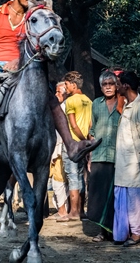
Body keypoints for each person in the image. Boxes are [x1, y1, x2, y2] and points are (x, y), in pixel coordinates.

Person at [0, 0, 100, 167]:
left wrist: (18, 60)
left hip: (25, 65)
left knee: (51, 98)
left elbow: (38, 44)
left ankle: (71, 145)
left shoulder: (35, 16)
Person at [87, 71, 121, 241]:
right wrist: (90, 155)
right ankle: (101, 231)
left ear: (117, 86)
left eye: (111, 84)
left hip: (118, 156)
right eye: (105, 84)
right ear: (101, 87)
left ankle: (115, 230)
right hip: (99, 155)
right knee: (98, 194)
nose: (108, 87)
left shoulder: (123, 103)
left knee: (115, 195)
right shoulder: (96, 104)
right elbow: (92, 131)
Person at [113, 71, 140, 247]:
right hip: (123, 163)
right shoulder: (127, 105)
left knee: (135, 200)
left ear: (126, 86)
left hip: (135, 163)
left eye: (118, 83)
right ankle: (126, 232)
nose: (116, 87)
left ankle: (137, 234)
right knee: (124, 197)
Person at [62, 71, 92, 221]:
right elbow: (91, 124)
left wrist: (80, 140)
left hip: (72, 144)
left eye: (66, 84)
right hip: (84, 144)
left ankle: (73, 211)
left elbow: (73, 125)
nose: (65, 88)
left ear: (73, 85)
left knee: (72, 176)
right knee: (81, 176)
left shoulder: (70, 101)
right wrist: (87, 141)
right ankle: (81, 211)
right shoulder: (88, 100)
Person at [49, 82, 70, 222]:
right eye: (55, 92)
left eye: (58, 92)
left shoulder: (63, 108)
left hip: (60, 148)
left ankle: (62, 211)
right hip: (61, 148)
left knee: (58, 180)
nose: (56, 95)